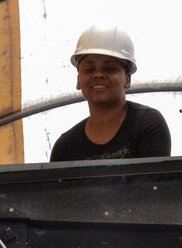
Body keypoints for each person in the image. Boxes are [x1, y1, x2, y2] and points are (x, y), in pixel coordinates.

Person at [50, 25, 171, 161]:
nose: (98, 75)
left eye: (109, 68)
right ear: (78, 80)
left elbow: (153, 181)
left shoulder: (147, 124)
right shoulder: (65, 147)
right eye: (89, 69)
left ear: (128, 79)